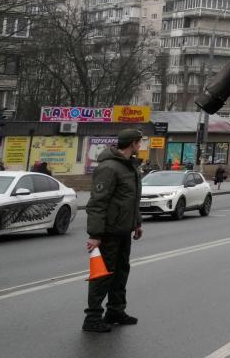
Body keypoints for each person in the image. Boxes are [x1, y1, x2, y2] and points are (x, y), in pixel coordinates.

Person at [82, 128, 144, 333]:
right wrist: (95, 235)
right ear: (133, 143)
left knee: (120, 272)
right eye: (139, 142)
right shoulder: (109, 167)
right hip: (108, 232)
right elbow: (97, 203)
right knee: (102, 275)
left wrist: (137, 222)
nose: (140, 145)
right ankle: (92, 317)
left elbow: (131, 200)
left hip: (124, 230)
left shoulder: (130, 167)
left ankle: (115, 310)